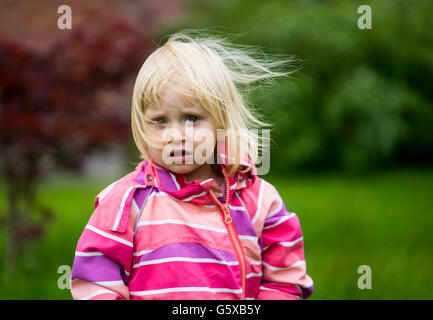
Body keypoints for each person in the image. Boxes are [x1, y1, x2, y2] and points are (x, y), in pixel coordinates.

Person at [70, 30, 314, 300]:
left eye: (191, 118)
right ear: (142, 127)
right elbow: (95, 284)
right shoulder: (125, 203)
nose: (176, 135)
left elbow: (286, 281)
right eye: (160, 121)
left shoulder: (259, 201)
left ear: (221, 121)